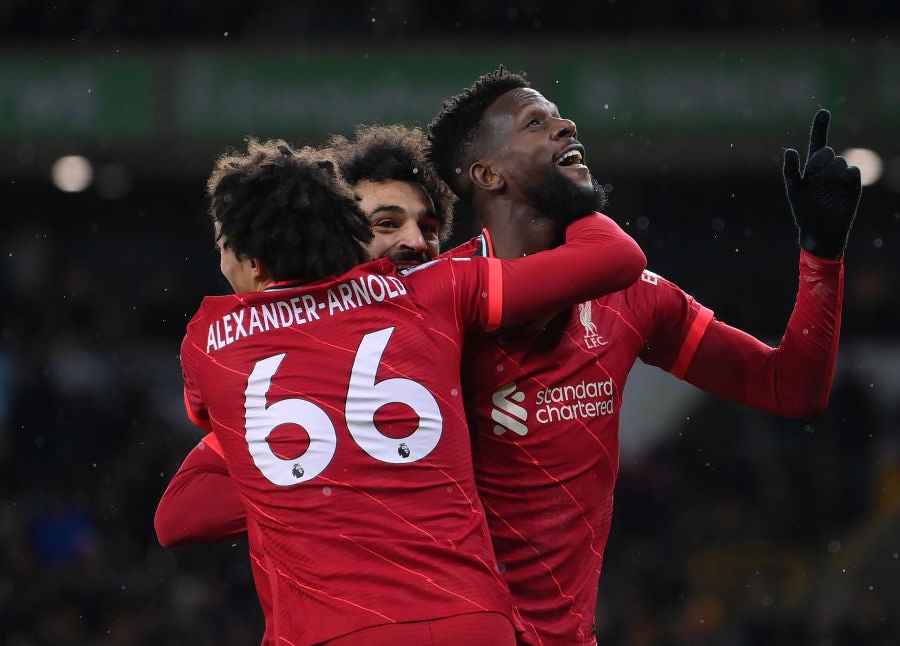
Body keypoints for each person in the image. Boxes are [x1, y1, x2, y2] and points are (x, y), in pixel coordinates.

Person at [423, 66, 862, 645]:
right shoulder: (436, 300)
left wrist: (821, 255)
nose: (564, 126)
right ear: (487, 173)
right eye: (536, 124)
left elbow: (791, 387)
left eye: (559, 116)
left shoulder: (632, 297)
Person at [171, 137, 646, 645]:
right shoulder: (434, 291)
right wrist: (560, 185)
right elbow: (616, 257)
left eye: (224, 250)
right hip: (472, 622)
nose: (415, 243)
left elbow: (177, 516)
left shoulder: (210, 340)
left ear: (256, 264)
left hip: (333, 628)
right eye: (386, 223)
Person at [154, 125, 457, 644]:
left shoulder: (457, 335)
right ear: (335, 232)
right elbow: (179, 516)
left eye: (429, 228)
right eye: (386, 223)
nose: (415, 242)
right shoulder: (266, 382)